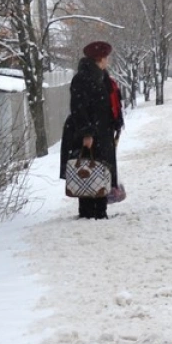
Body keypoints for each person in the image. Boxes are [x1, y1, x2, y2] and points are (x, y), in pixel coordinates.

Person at [61, 41, 124, 220]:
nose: (108, 62)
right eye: (106, 58)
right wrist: (86, 133)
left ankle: (101, 210)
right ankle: (87, 211)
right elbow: (78, 108)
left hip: (103, 132)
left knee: (102, 170)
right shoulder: (82, 78)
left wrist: (115, 125)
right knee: (87, 169)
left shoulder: (103, 77)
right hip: (88, 133)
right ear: (99, 59)